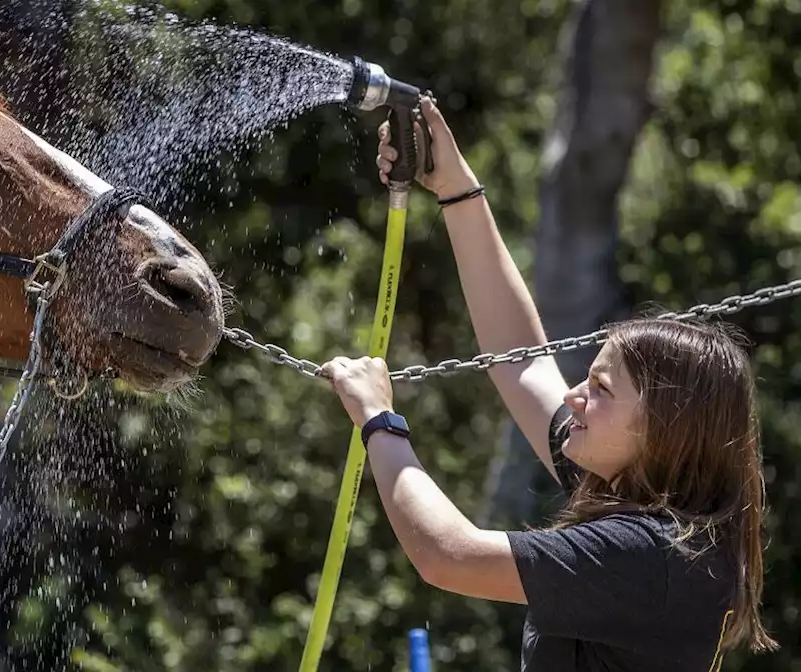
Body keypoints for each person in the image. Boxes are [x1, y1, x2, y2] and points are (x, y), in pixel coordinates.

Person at [319, 96, 777, 671]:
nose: (572, 395)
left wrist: (380, 422)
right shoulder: (635, 495)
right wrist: (457, 189)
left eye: (602, 390)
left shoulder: (652, 556)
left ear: (666, 431)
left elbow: (449, 556)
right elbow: (521, 362)